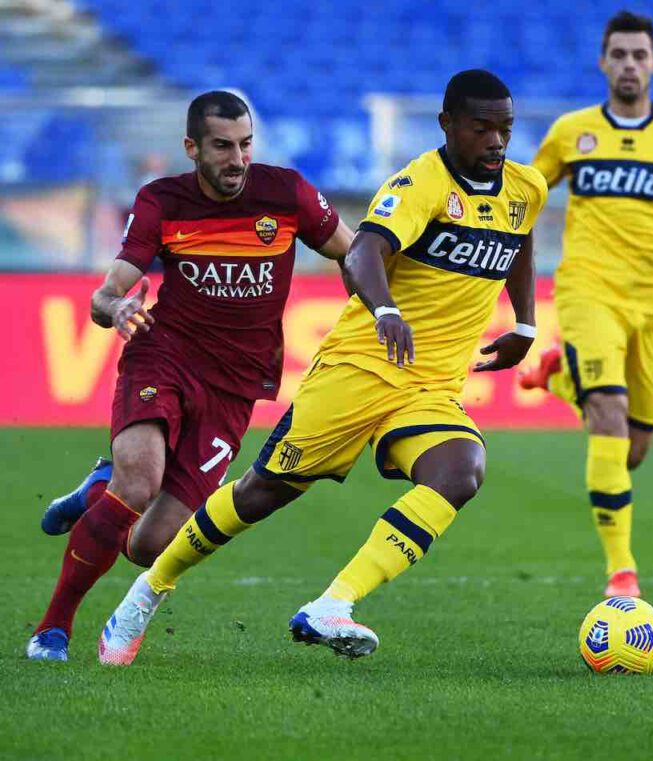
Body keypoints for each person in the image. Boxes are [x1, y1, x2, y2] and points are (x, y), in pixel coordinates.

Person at [97, 69, 548, 665]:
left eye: (505, 129)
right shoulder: (421, 184)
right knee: (263, 493)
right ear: (448, 125)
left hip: (430, 385)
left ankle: (334, 604)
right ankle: (147, 591)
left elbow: (517, 237)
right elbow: (363, 249)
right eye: (481, 127)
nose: (496, 141)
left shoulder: (525, 187)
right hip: (359, 369)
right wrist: (385, 308)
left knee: (460, 471)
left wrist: (524, 324)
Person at [26, 91, 353, 661]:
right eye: (223, 146)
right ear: (192, 148)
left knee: (150, 545)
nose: (237, 159)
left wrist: (380, 311)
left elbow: (353, 255)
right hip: (165, 356)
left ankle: (96, 491)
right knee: (140, 481)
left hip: (235, 387)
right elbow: (106, 295)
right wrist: (117, 307)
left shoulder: (287, 194)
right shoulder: (162, 201)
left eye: (245, 144)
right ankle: (53, 628)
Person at [519, 10, 653, 598]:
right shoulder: (571, 132)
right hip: (588, 289)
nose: (630, 65)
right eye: (620, 55)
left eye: (640, 55)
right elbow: (527, 194)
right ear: (603, 62)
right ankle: (622, 572)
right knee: (607, 416)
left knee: (632, 450)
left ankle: (561, 377)